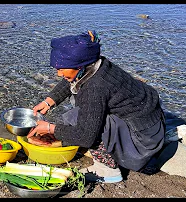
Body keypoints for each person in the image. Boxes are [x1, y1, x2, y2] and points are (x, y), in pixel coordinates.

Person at [27, 30, 166, 183]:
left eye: (61, 69)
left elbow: (86, 136)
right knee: (82, 116)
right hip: (153, 122)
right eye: (57, 69)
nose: (59, 74)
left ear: (80, 66)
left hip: (142, 141)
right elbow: (72, 79)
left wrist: (50, 128)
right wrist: (49, 101)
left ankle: (107, 170)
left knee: (78, 119)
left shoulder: (95, 87)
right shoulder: (97, 65)